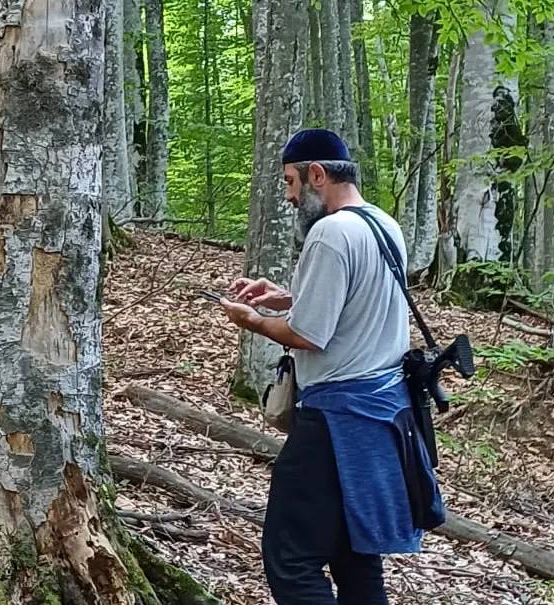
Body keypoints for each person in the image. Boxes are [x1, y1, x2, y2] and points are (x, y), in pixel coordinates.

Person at [218, 128, 443, 604]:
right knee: (354, 559)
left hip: (336, 422)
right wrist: (287, 298)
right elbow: (355, 304)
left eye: (291, 183)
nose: (288, 196)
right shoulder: (383, 225)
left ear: (317, 175)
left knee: (290, 560)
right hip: (385, 417)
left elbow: (306, 335)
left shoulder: (330, 232)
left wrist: (251, 319)